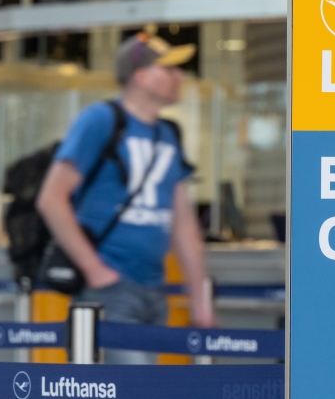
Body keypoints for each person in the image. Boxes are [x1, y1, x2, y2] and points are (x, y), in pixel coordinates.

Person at [37, 33, 212, 364]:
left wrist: (200, 298)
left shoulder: (169, 134)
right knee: (130, 384)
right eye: (169, 69)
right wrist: (95, 270)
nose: (180, 76)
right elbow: (51, 198)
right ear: (141, 75)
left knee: (146, 385)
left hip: (154, 289)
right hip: (110, 288)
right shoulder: (102, 120)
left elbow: (184, 224)